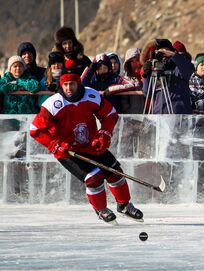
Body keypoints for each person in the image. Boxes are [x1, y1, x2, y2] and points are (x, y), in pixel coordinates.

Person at [29, 60, 143, 224]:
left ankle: (124, 205)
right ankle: (101, 209)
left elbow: (110, 114)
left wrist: (104, 134)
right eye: (66, 85)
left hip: (91, 144)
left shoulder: (91, 94)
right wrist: (55, 144)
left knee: (115, 171)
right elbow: (35, 130)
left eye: (72, 84)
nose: (69, 88)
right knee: (94, 177)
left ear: (78, 83)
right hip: (67, 151)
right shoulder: (52, 104)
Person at [141, 39, 194, 114]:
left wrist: (174, 55)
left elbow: (188, 72)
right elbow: (147, 93)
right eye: (160, 52)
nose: (163, 55)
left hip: (179, 114)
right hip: (160, 115)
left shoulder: (177, 67)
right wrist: (147, 73)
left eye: (165, 51)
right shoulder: (155, 68)